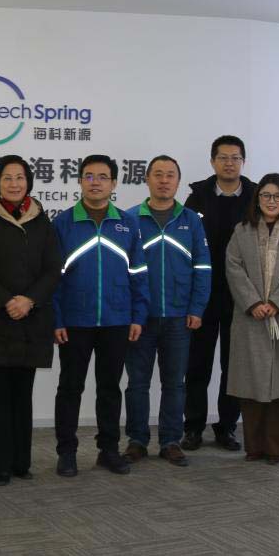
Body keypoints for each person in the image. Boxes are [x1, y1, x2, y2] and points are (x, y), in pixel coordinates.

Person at [52, 155, 149, 477]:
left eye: (103, 177)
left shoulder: (127, 224)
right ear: (80, 181)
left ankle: (108, 450)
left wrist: (138, 315)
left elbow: (139, 273)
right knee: (70, 388)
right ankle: (66, 452)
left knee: (109, 389)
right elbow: (52, 277)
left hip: (116, 320)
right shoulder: (63, 223)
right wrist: (57, 318)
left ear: (114, 183)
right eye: (89, 176)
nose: (96, 182)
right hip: (74, 321)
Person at [0, 155, 61, 485]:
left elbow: (53, 268)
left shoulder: (41, 221)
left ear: (28, 182)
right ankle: (1, 465)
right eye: (7, 178)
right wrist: (7, 300)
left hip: (31, 322)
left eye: (19, 177)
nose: (14, 183)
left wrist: (29, 300)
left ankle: (21, 462)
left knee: (23, 396)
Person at [124, 155, 211, 467]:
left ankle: (171, 440)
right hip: (141, 319)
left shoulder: (192, 220)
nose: (164, 180)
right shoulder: (130, 219)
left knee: (175, 384)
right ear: (147, 179)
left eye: (170, 175)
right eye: (158, 174)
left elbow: (203, 267)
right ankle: (136, 440)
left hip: (178, 317)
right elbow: (123, 270)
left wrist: (197, 307)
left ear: (177, 181)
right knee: (137, 384)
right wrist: (131, 313)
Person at [225, 174, 279, 463]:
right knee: (250, 383)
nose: (271, 201)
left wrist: (277, 302)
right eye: (266, 195)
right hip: (250, 316)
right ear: (257, 199)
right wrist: (252, 302)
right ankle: (254, 446)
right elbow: (233, 266)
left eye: (277, 196)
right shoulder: (242, 230)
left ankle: (276, 448)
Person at [182, 135, 257, 452]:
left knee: (234, 367)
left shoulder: (255, 197)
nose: (229, 163)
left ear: (243, 162)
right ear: (212, 161)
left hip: (241, 297)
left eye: (235, 158)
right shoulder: (196, 198)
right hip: (203, 296)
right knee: (196, 367)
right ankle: (193, 427)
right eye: (223, 157)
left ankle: (227, 427)